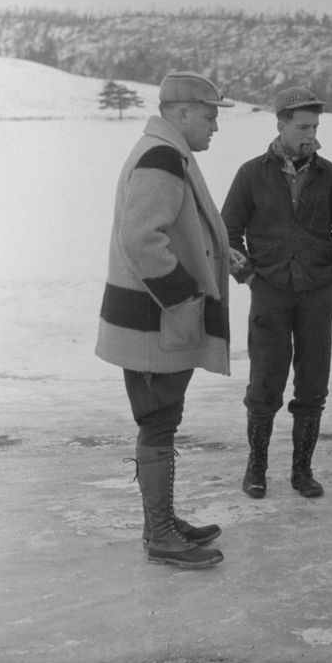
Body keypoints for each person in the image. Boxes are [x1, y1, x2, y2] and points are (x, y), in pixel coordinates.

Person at [95, 70, 246, 569]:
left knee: (162, 419)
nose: (214, 127)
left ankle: (160, 521)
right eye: (209, 115)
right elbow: (142, 240)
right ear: (180, 114)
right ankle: (160, 533)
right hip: (156, 320)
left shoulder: (166, 150)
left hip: (154, 321)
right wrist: (183, 297)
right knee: (158, 420)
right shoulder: (161, 156)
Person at [221, 86, 332, 499]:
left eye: (315, 126)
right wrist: (247, 275)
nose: (311, 134)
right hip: (269, 291)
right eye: (302, 126)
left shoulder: (330, 175)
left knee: (313, 381)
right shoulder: (251, 174)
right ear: (280, 126)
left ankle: (302, 470)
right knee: (265, 380)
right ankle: (257, 467)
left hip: (318, 293)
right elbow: (227, 231)